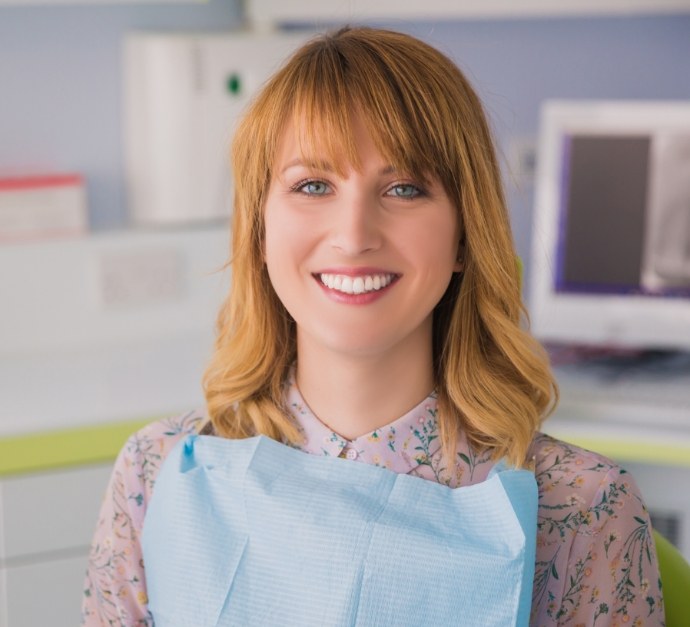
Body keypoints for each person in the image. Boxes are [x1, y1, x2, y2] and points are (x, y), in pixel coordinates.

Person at [82, 26, 664, 626]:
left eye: (404, 188)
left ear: (465, 235)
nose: (355, 235)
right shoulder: (155, 474)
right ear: (259, 231)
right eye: (313, 185)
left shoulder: (579, 509)